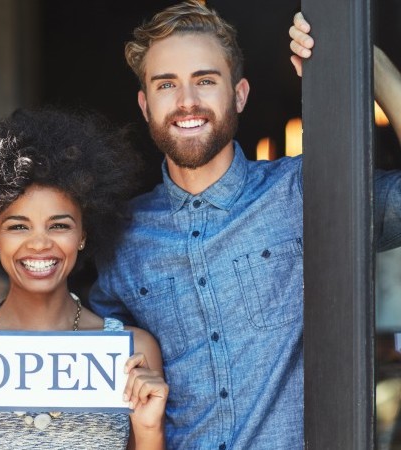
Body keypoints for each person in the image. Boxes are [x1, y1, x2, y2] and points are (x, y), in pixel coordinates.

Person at [89, 1, 401, 449]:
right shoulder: (121, 236)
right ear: (145, 104)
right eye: (166, 85)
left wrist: (363, 57)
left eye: (205, 80)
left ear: (239, 94)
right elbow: (87, 356)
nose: (187, 102)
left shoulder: (306, 192)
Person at [0, 108, 169, 449]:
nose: (39, 243)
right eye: (18, 226)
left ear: (83, 234)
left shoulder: (132, 353)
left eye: (60, 225)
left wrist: (150, 430)